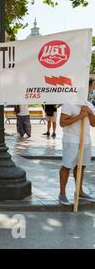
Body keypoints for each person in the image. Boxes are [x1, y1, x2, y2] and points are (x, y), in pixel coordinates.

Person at [58, 77, 95, 205]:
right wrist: (79, 116)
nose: (93, 89)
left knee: (82, 166)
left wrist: (90, 113)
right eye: (92, 86)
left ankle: (79, 191)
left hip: (86, 141)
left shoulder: (89, 104)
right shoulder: (69, 103)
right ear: (86, 87)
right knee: (67, 166)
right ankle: (62, 194)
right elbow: (62, 123)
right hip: (71, 140)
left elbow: (94, 124)